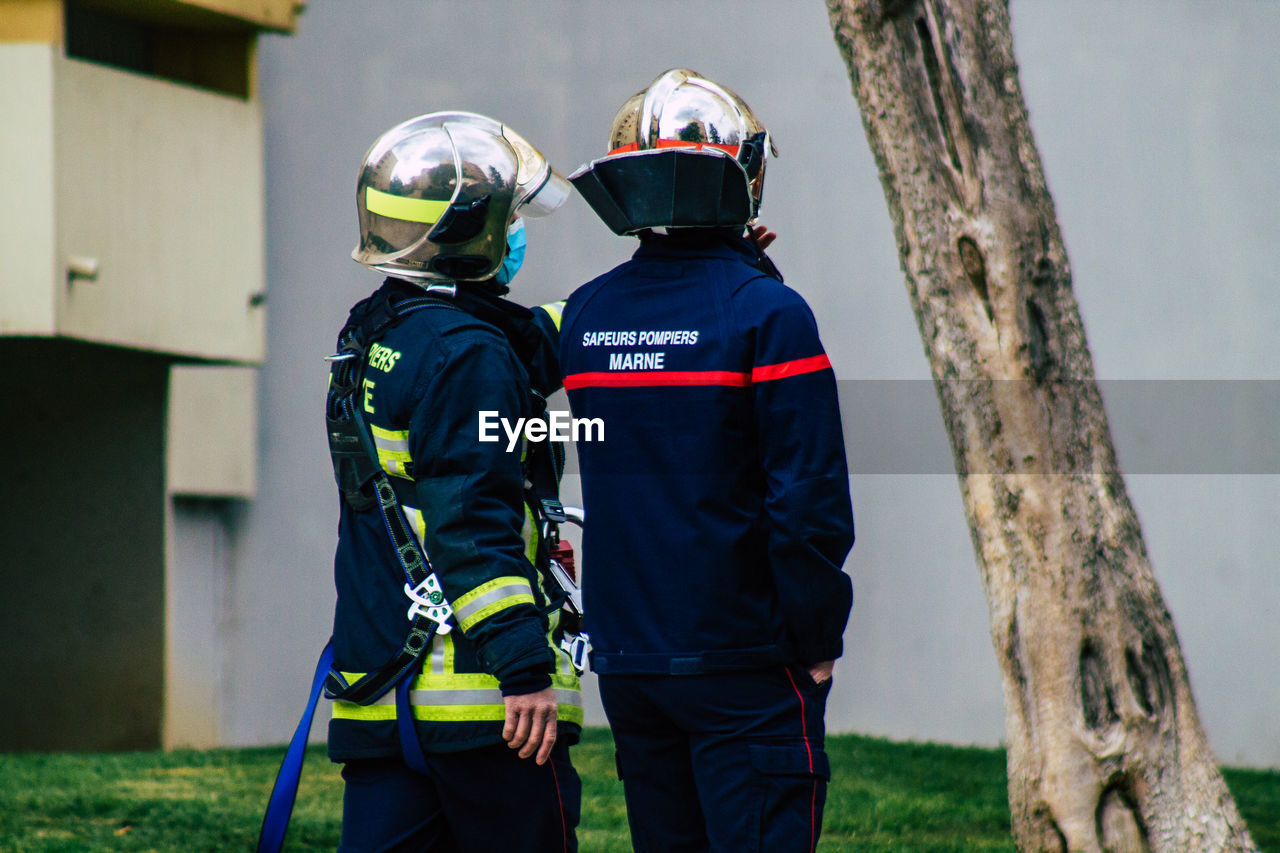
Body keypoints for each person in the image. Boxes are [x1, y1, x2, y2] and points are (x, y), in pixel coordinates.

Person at [556, 69, 855, 853]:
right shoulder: (769, 313)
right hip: (746, 662)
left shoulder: (587, 312)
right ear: (744, 176)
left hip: (631, 661)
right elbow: (808, 501)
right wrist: (818, 639)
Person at [325, 111, 581, 853]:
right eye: (511, 218)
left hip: (383, 705)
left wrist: (679, 275)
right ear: (477, 234)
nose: (519, 234)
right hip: (490, 713)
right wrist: (523, 668)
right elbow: (470, 521)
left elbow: (531, 340)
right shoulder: (470, 356)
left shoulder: (377, 332)